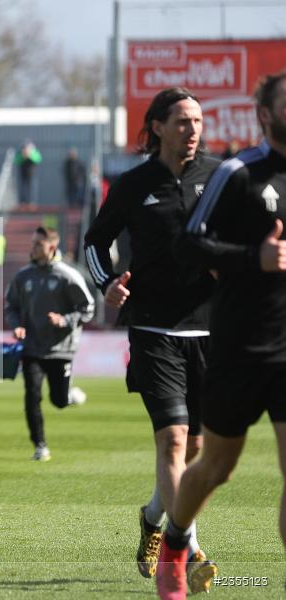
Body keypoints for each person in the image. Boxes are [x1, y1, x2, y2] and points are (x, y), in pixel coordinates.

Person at [83, 87, 219, 591]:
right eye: (182, 120)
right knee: (174, 439)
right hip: (153, 329)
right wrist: (108, 283)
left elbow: (245, 239)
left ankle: (153, 519)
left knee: (198, 451)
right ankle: (186, 549)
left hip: (210, 328)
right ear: (157, 126)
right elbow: (96, 240)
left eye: (198, 121)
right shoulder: (134, 183)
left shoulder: (221, 179)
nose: (193, 129)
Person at [156, 71, 286, 599]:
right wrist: (252, 259)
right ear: (265, 114)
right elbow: (189, 246)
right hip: (238, 343)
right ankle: (174, 541)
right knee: (216, 467)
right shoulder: (238, 174)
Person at [5, 227, 94, 461]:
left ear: (51, 248)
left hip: (60, 350)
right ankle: (40, 445)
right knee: (31, 395)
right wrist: (16, 325)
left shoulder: (67, 275)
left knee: (59, 401)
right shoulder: (23, 276)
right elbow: (11, 306)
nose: (32, 248)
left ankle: (69, 394)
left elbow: (88, 308)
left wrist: (64, 320)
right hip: (32, 347)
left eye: (37, 245)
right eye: (32, 243)